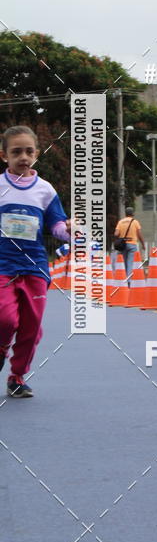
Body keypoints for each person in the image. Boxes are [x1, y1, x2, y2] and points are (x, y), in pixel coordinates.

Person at [0, 126, 71, 398]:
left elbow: (56, 225)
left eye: (29, 151)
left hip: (35, 268)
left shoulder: (45, 190)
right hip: (3, 266)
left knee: (31, 327)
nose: (23, 157)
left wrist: (69, 231)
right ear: (4, 155)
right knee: (5, 319)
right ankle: (2, 346)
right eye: (16, 152)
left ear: (37, 154)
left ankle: (17, 376)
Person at [112, 207, 145, 283]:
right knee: (130, 262)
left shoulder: (120, 222)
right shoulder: (135, 222)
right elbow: (139, 235)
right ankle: (129, 280)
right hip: (132, 244)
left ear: (125, 213)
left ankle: (124, 278)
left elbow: (116, 234)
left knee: (124, 262)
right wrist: (143, 244)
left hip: (122, 245)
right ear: (132, 213)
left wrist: (121, 236)